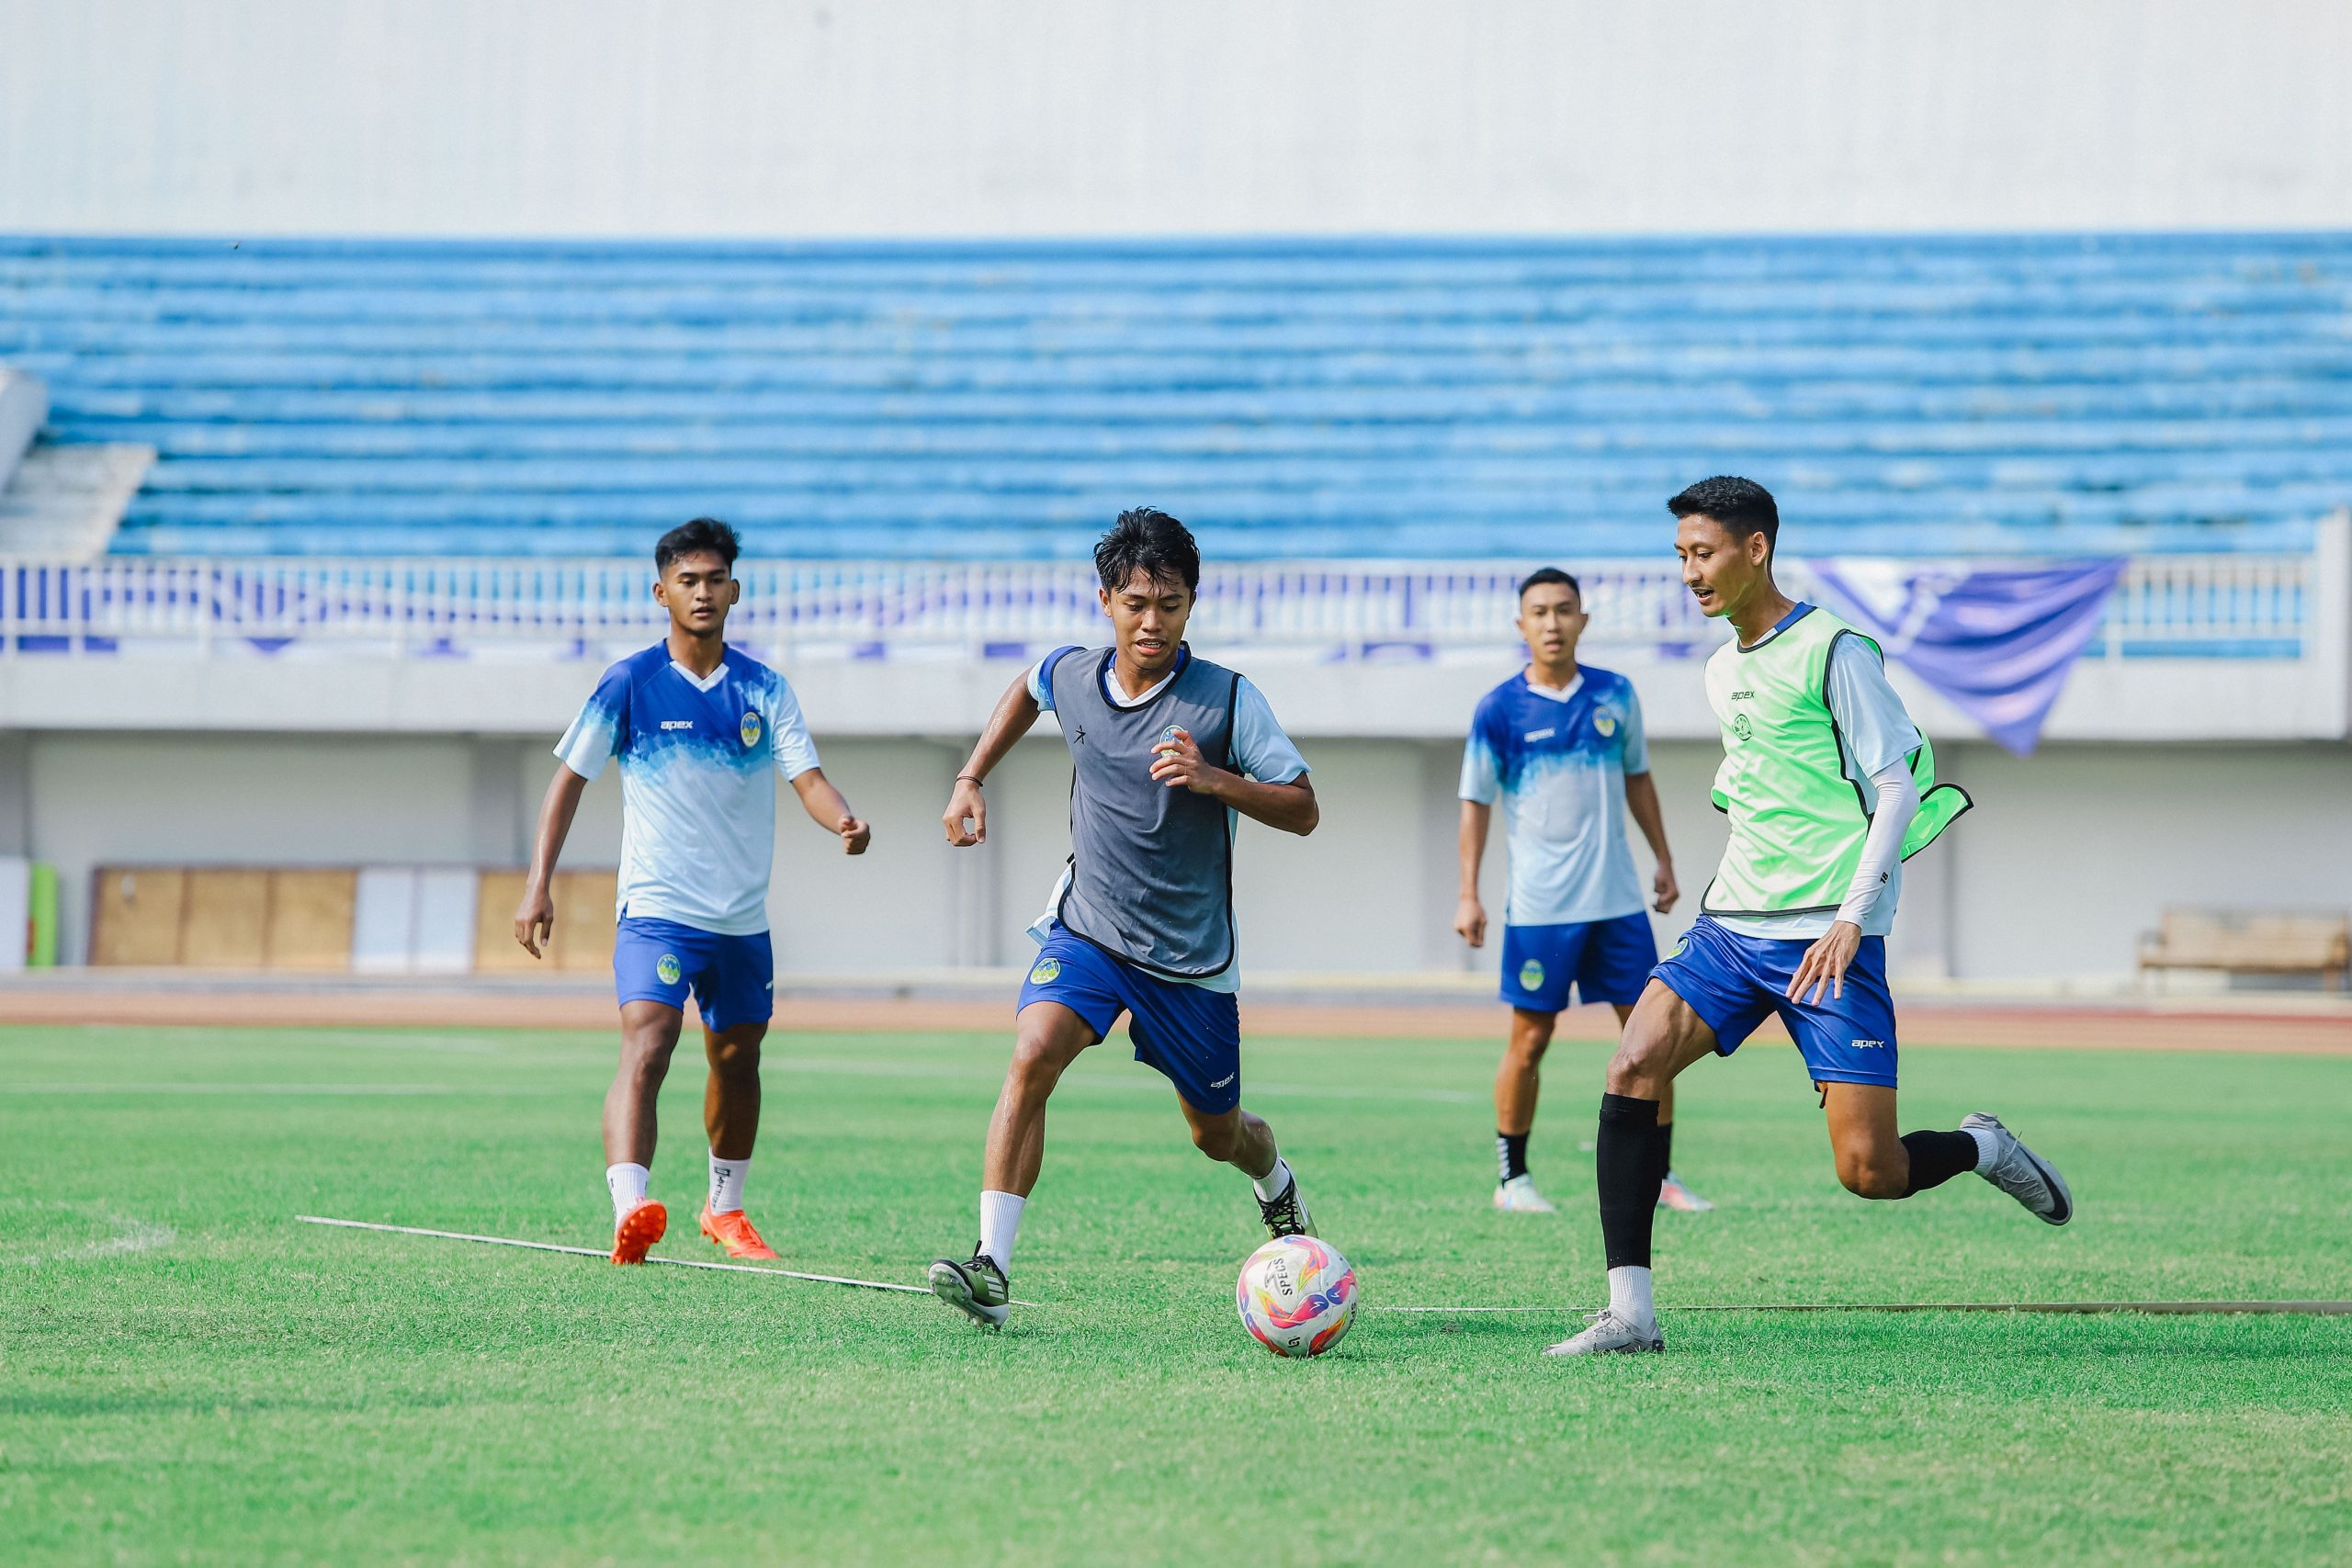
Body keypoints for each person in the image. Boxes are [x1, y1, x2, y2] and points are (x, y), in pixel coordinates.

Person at [1548, 477, 2072, 1357]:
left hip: (1830, 939)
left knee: (1871, 1171)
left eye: (1703, 552)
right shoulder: (1721, 669)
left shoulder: (1837, 650)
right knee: (1633, 1063)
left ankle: (1981, 1146)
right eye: (1679, 555)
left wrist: (1850, 919)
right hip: (1732, 926)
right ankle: (1630, 1314)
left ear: (1756, 549)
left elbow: (1897, 787)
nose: (1690, 572)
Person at [927, 508, 1322, 1328]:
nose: (1153, 622)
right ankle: (991, 1266)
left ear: (1191, 605)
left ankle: (1275, 1180)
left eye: (1171, 604)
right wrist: (970, 776)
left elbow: (1304, 807)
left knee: (1218, 1134)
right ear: (1105, 599)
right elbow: (1028, 688)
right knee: (1032, 1053)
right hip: (1089, 928)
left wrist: (1215, 779)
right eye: (1137, 602)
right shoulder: (1073, 675)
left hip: (1191, 961)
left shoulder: (1227, 699)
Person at [514, 517, 871, 1266]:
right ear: (661, 591)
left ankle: (726, 1207)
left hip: (740, 920)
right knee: (648, 1040)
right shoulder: (630, 684)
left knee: (738, 1058)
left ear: (734, 590)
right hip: (657, 911)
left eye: (714, 580)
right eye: (687, 580)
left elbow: (805, 777)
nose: (702, 592)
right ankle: (631, 1205)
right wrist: (537, 883)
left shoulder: (763, 688)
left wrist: (842, 818)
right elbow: (567, 782)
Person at [1455, 568, 1707, 1215]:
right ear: (1521, 625)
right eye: (1538, 612)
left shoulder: (1616, 695)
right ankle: (1512, 1178)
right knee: (1530, 1041)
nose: (1552, 623)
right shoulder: (1497, 709)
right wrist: (1469, 893)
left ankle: (1663, 1174)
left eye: (1564, 610)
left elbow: (1639, 778)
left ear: (1583, 620)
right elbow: (1475, 803)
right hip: (1541, 910)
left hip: (1618, 902)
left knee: (1653, 1038)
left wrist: (1665, 858)